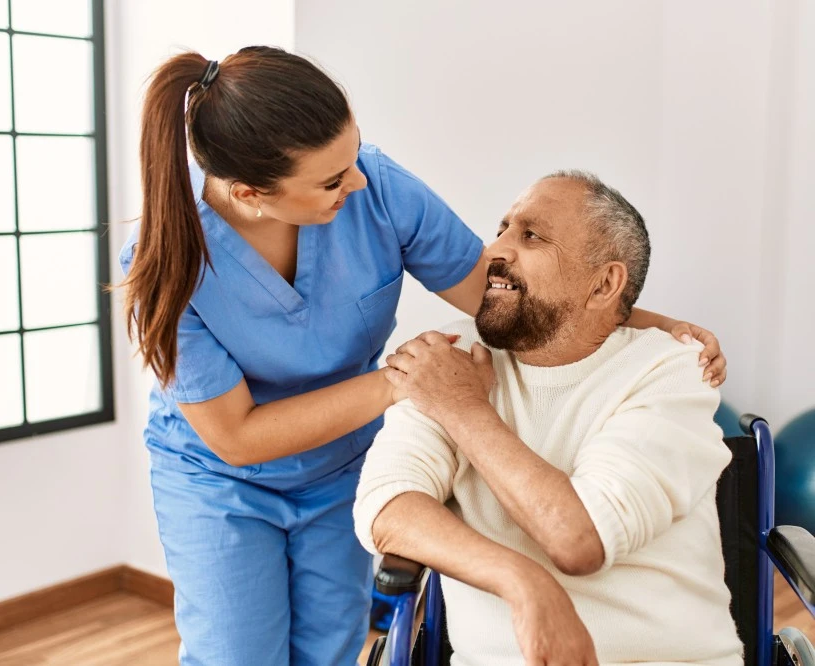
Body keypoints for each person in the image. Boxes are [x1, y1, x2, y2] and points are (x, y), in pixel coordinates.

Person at [118, 47, 728, 666]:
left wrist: (641, 316)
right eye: (331, 180)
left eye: (352, 156)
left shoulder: (376, 187)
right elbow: (238, 438)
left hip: (338, 462)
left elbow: (493, 291)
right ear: (251, 192)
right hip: (223, 481)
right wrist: (406, 384)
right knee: (237, 656)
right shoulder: (165, 262)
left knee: (328, 650)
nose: (356, 183)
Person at [355, 170, 741, 665]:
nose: (495, 249)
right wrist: (522, 582)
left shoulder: (668, 370)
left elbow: (580, 540)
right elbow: (388, 506)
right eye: (503, 228)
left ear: (604, 284)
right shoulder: (450, 356)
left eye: (531, 235)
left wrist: (463, 410)